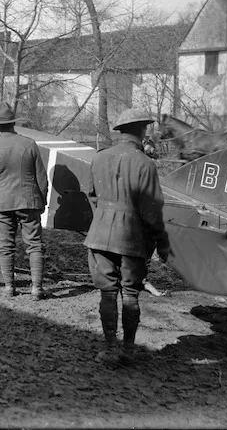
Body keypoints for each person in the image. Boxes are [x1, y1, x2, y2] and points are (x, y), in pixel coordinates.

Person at [84, 108, 171, 360]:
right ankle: (128, 350)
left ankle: (109, 349)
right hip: (131, 238)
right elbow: (153, 211)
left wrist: (102, 219)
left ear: (121, 131)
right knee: (130, 294)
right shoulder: (145, 164)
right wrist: (161, 242)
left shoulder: (99, 158)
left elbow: (92, 195)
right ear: (142, 131)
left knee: (107, 292)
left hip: (99, 235)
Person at [0, 102, 49, 301]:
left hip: (2, 203)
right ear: (13, 123)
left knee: (5, 246)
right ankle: (37, 289)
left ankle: (9, 287)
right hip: (29, 201)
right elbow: (42, 179)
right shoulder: (29, 144)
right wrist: (42, 201)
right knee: (35, 245)